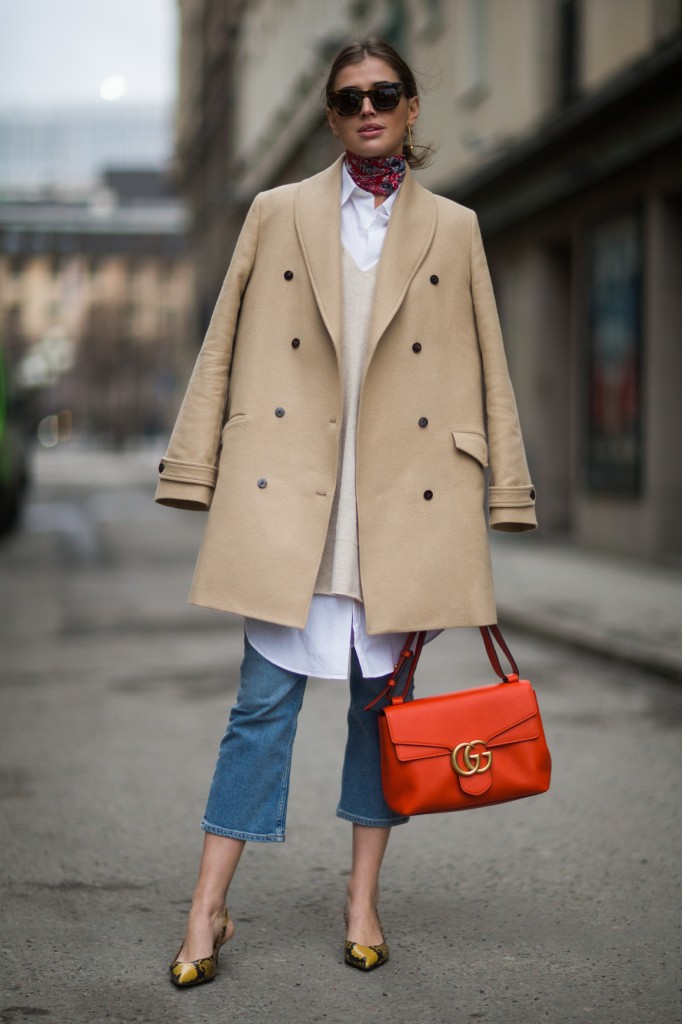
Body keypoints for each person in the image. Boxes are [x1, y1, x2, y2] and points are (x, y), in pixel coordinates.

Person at [156, 38, 537, 987]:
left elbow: (490, 365)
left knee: (385, 716)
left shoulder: (456, 227)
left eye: (386, 93)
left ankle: (363, 901)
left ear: (411, 108)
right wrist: (193, 465)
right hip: (294, 498)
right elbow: (222, 342)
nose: (368, 108)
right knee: (260, 709)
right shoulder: (276, 212)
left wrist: (506, 490)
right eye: (349, 97)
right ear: (331, 116)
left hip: (403, 504)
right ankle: (206, 911)